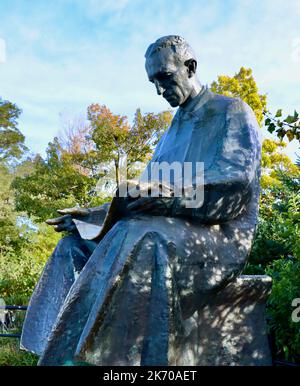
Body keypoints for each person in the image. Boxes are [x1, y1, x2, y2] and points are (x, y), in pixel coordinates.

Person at [21, 35, 262, 366]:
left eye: (164, 77)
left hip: (218, 240)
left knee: (141, 235)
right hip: (166, 230)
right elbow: (141, 195)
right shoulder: (169, 136)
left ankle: (118, 364)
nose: (159, 90)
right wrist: (90, 217)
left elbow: (232, 191)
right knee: (71, 246)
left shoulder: (231, 111)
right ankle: (55, 355)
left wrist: (161, 199)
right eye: (153, 82)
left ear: (190, 67)